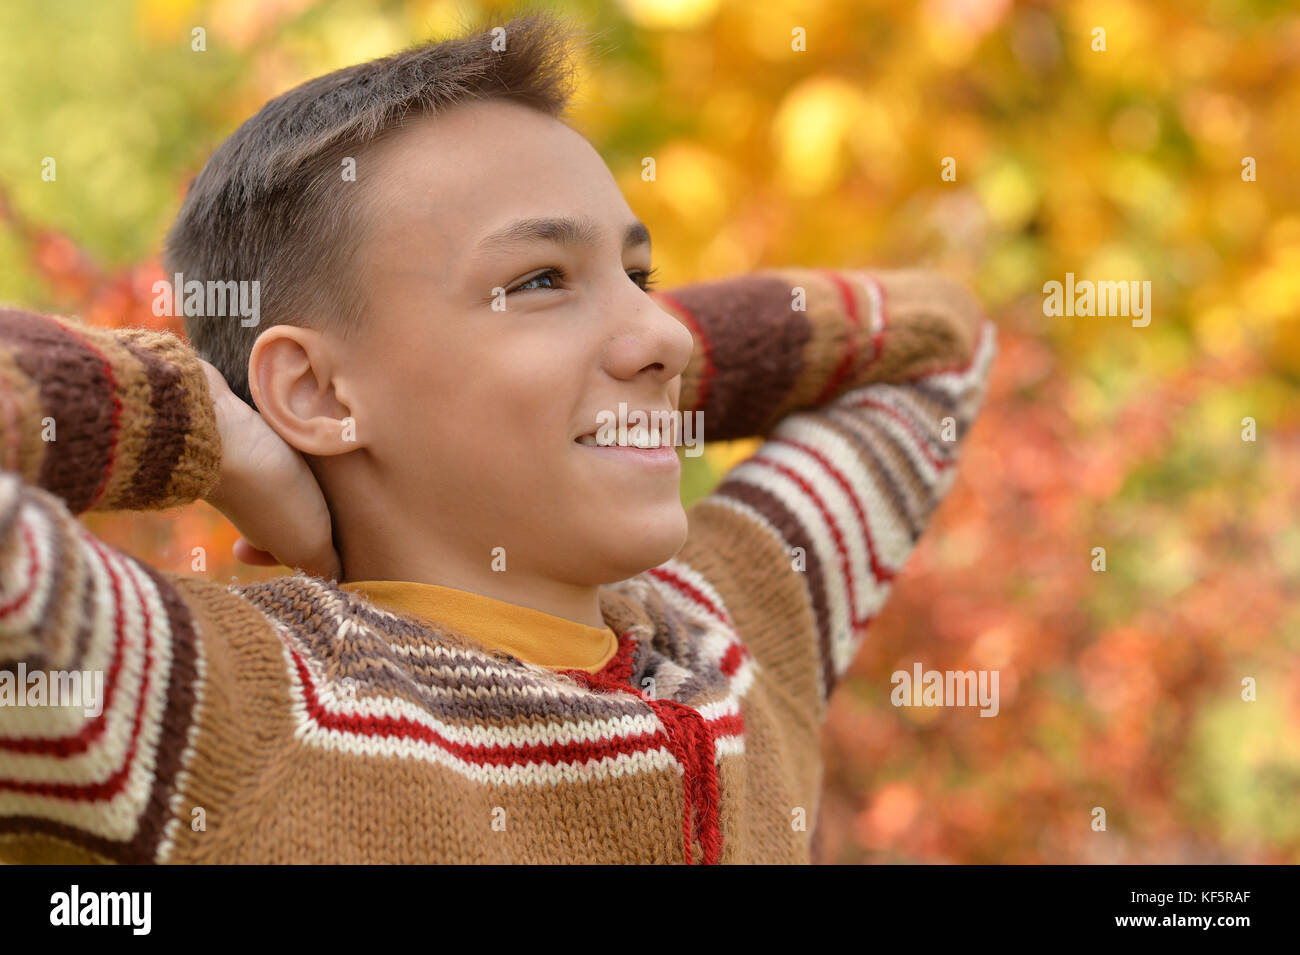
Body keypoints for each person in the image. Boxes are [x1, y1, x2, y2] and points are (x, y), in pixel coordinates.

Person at [0, 10, 995, 864]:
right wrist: (205, 426)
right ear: (312, 388)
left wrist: (635, 351)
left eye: (639, 277)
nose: (661, 334)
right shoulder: (213, 704)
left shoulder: (735, 622)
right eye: (538, 281)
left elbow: (940, 347)